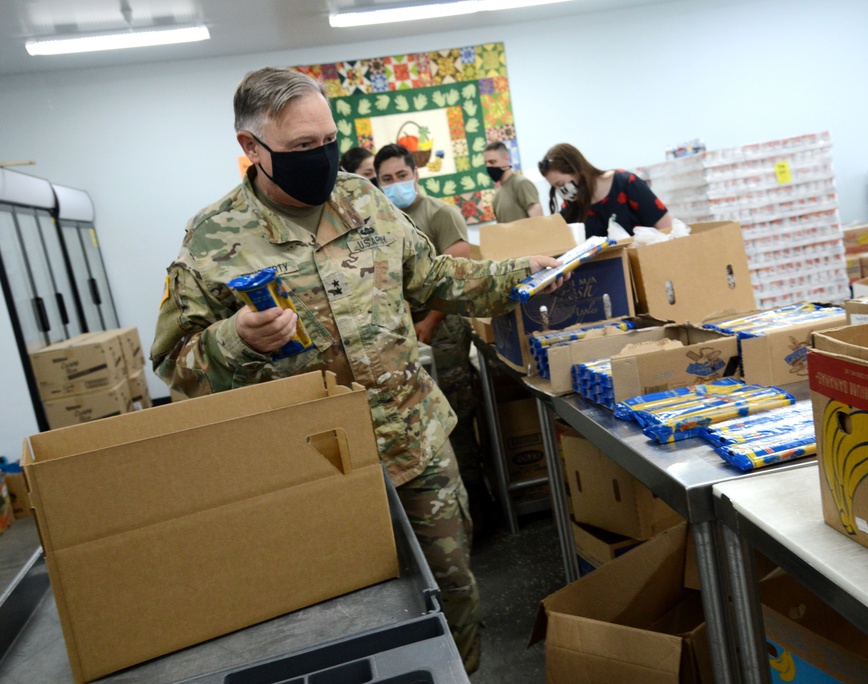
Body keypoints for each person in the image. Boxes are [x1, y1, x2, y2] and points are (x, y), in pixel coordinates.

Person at [150, 67, 563, 674]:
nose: (320, 158)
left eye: (327, 141)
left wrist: (522, 273)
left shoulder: (364, 200)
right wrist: (235, 338)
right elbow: (173, 365)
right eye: (299, 148)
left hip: (413, 447)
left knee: (455, 596)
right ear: (250, 149)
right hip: (311, 469)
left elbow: (438, 279)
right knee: (350, 620)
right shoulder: (213, 239)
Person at [373, 143, 489, 532]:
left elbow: (458, 271)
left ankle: (478, 508)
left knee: (454, 413)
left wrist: (430, 322)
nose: (395, 184)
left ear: (415, 174)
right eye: (386, 179)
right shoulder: (382, 218)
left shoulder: (439, 214)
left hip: (443, 328)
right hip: (407, 332)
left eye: (401, 176)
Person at [539, 142, 671, 238]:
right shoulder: (571, 208)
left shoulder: (625, 184)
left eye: (561, 183)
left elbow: (666, 227)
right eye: (555, 187)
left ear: (577, 169)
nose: (561, 191)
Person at [483, 141, 542, 223]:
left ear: (506, 158)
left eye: (492, 162)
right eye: (486, 163)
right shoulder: (497, 196)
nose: (488, 166)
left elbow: (539, 222)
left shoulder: (521, 184)